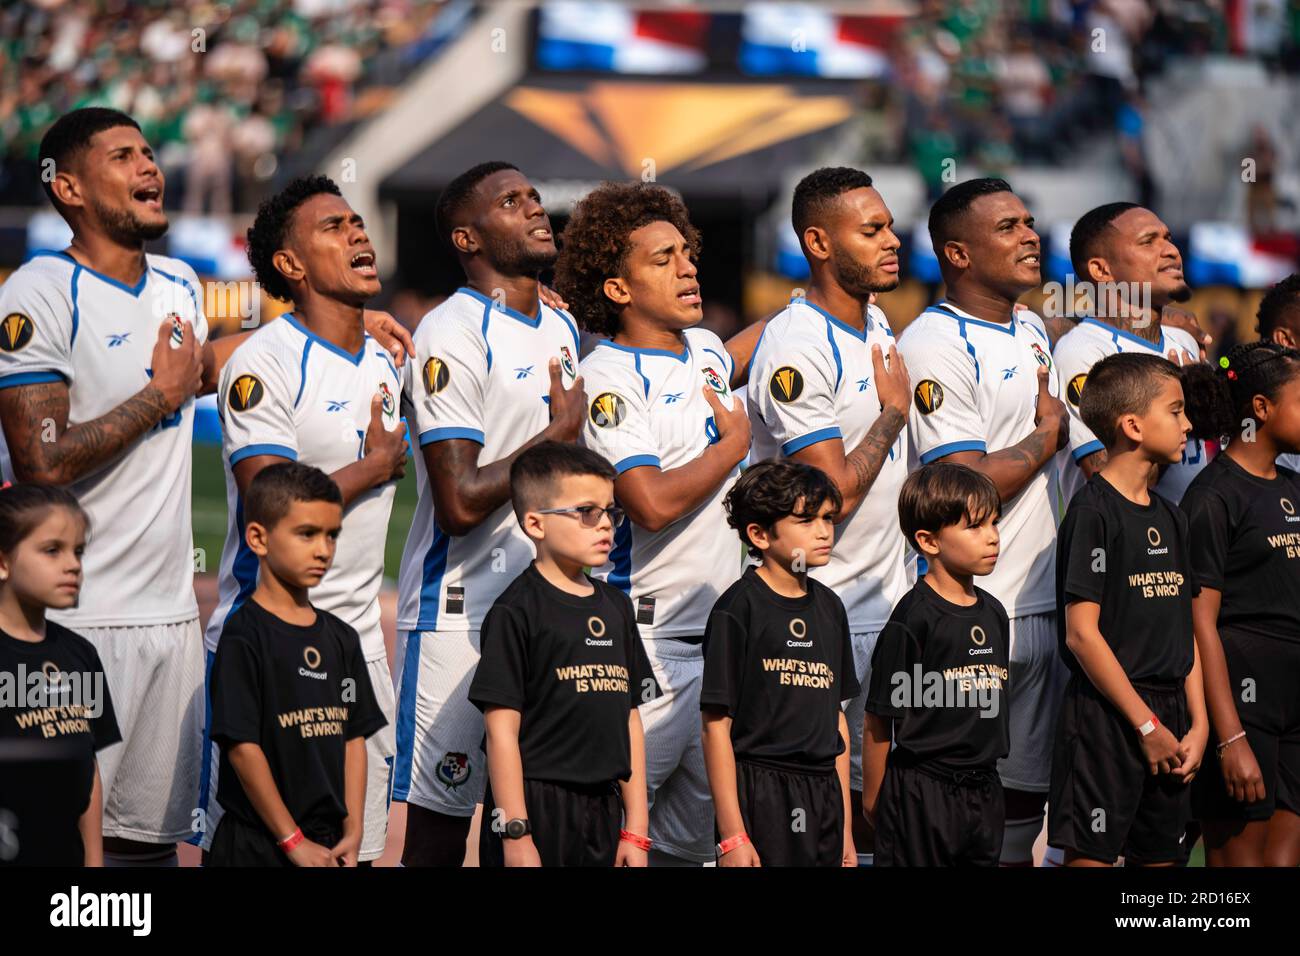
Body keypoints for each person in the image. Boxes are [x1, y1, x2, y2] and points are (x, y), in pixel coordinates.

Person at [0, 108, 410, 865]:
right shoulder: (39, 291)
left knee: (149, 849)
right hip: (72, 620)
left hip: (169, 623)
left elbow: (216, 363)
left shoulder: (180, 284)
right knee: (54, 843)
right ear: (69, 188)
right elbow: (41, 461)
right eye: (122, 156)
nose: (151, 167)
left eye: (151, 152)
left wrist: (350, 317)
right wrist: (160, 396)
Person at [202, 175, 409, 863]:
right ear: (289, 265)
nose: (357, 233)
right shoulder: (263, 361)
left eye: (357, 222)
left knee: (359, 850)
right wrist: (373, 467)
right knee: (256, 848)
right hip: (264, 652)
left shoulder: (387, 359)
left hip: (358, 650)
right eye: (333, 227)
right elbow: (271, 504)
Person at [392, 162, 588, 865]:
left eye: (536, 195)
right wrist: (555, 440)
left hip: (543, 617)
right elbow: (458, 502)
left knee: (527, 822)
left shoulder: (559, 325)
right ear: (468, 238)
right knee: (443, 829)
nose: (536, 208)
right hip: (460, 617)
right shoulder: (450, 332)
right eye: (512, 202)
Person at [554, 181, 748, 865]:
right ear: (616, 288)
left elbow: (742, 350)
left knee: (687, 853)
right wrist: (732, 447)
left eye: (687, 253)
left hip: (723, 650)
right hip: (648, 650)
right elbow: (651, 502)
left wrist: (806, 314)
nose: (688, 267)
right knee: (611, 839)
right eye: (662, 259)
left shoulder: (707, 354)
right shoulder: (608, 378)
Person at [896, 177, 1070, 865]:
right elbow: (963, 488)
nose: (1030, 235)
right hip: (973, 609)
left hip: (1045, 600)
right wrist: (1044, 439)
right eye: (1008, 227)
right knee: (955, 805)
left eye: (1030, 221)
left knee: (1027, 800)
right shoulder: (933, 342)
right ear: (958, 254)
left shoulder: (1030, 327)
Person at [746, 167, 912, 865]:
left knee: (888, 815)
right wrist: (894, 410)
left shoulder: (872, 321)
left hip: (892, 602)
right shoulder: (797, 346)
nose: (891, 239)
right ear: (819, 241)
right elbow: (831, 495)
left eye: (889, 225)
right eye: (870, 229)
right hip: (822, 618)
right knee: (821, 823)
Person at [1047, 352, 1208, 866]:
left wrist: (1199, 722)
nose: (1188, 424)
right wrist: (1145, 727)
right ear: (1133, 425)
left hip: (1173, 720)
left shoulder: (1172, 517)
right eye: (1176, 410)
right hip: (1108, 720)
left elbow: (1186, 632)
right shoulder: (1092, 512)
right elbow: (1081, 635)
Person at [469, 442, 659, 866]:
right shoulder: (515, 612)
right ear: (535, 523)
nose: (605, 524)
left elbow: (630, 718)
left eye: (611, 511)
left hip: (604, 811)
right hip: (538, 809)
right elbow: (501, 734)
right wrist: (516, 833)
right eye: (587, 512)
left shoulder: (617, 606)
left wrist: (637, 829)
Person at [207, 463, 386, 867]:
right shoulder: (243, 636)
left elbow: (353, 737)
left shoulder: (342, 638)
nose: (323, 550)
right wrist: (292, 840)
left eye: (331, 535)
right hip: (260, 845)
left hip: (326, 843)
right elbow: (242, 748)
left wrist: (354, 828)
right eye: (307, 534)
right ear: (258, 538)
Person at [701, 460, 858, 867]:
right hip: (762, 793)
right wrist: (733, 836)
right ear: (759, 534)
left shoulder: (831, 607)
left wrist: (844, 829)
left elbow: (836, 721)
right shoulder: (737, 609)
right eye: (806, 520)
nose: (824, 531)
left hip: (824, 796)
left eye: (828, 518)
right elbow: (716, 726)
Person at [1180, 342, 1300, 866]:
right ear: (1261, 409)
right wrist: (1229, 739)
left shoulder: (1295, 486)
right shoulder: (1213, 496)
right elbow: (1198, 624)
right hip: (1243, 704)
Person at [863, 462, 1009, 867]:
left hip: (984, 791)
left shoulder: (995, 614)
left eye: (995, 523)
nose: (993, 537)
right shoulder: (913, 619)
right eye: (975, 527)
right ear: (928, 541)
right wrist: (877, 801)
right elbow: (878, 719)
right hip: (921, 792)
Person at [1052, 202, 1206, 505]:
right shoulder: (1084, 353)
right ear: (1101, 270)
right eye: (1148, 241)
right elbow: (1109, 484)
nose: (1172, 251)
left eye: (1168, 238)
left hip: (1193, 544)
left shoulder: (1183, 342)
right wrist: (1184, 413)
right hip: (1128, 548)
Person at [0, 483, 118, 866]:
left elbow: (87, 768)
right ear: (3, 562)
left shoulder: (80, 654)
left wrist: (95, 861)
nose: (73, 565)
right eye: (52, 550)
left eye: (78, 551)